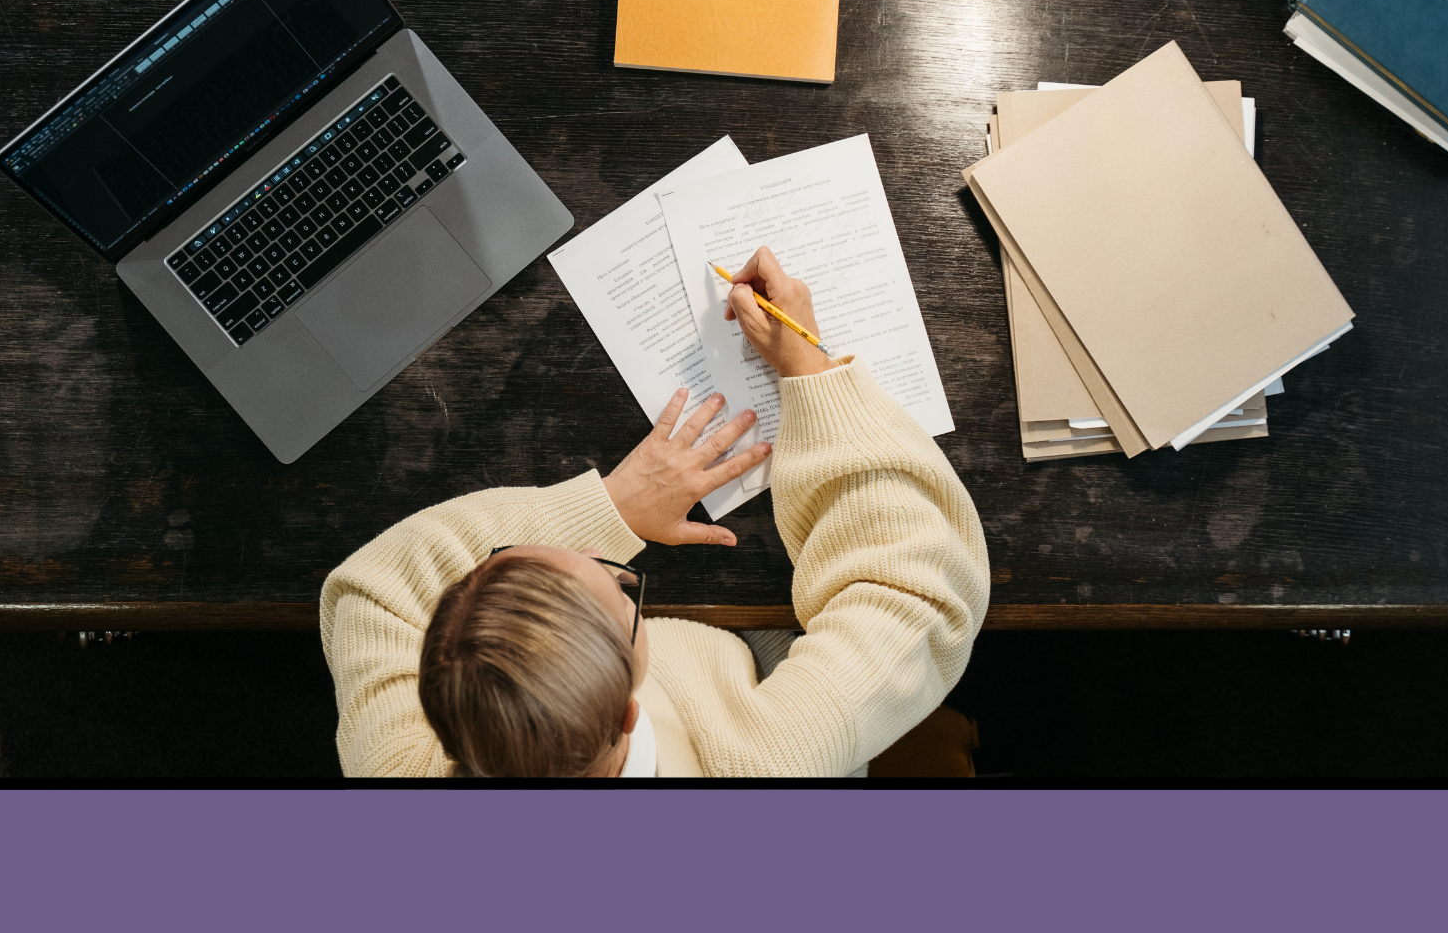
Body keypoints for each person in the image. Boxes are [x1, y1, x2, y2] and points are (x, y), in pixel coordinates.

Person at [319, 248, 989, 776]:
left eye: (500, 565)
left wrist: (610, 508)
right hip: (761, 677)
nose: (591, 554)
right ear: (629, 713)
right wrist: (810, 368)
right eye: (617, 584)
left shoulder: (396, 766)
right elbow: (913, 588)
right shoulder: (759, 761)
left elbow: (376, 589)